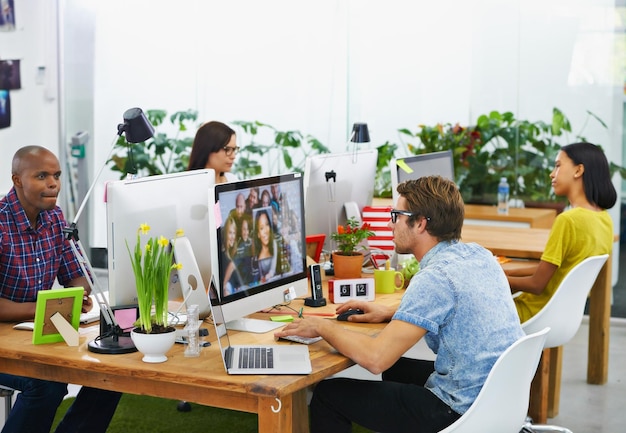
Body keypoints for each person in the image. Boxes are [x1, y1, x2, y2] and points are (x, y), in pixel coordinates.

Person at [274, 175, 524, 433]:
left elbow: (375, 359)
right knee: (397, 368)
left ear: (420, 224)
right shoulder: (479, 255)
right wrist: (390, 311)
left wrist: (321, 327)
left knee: (329, 394)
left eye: (396, 215)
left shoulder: (435, 278)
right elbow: (457, 303)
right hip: (497, 397)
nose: (391, 225)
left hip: (459, 411)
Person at [0, 145, 121, 433]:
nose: (53, 183)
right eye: (42, 176)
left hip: (40, 331)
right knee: (46, 384)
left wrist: (78, 296)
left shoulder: (54, 218)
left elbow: (78, 275)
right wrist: (50, 307)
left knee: (109, 371)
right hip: (8, 340)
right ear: (17, 180)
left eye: (56, 175)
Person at [506, 142, 617, 322]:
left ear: (578, 170)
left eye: (558, 166)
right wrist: (507, 273)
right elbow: (552, 271)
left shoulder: (568, 220)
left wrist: (498, 280)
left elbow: (537, 284)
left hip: (531, 314)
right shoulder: (604, 220)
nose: (552, 173)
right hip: (561, 317)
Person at [254, 209, 277, 283]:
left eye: (267, 225)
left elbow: (272, 271)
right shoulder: (257, 250)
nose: (266, 231)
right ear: (258, 234)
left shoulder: (273, 243)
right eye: (261, 228)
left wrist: (266, 278)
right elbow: (259, 274)